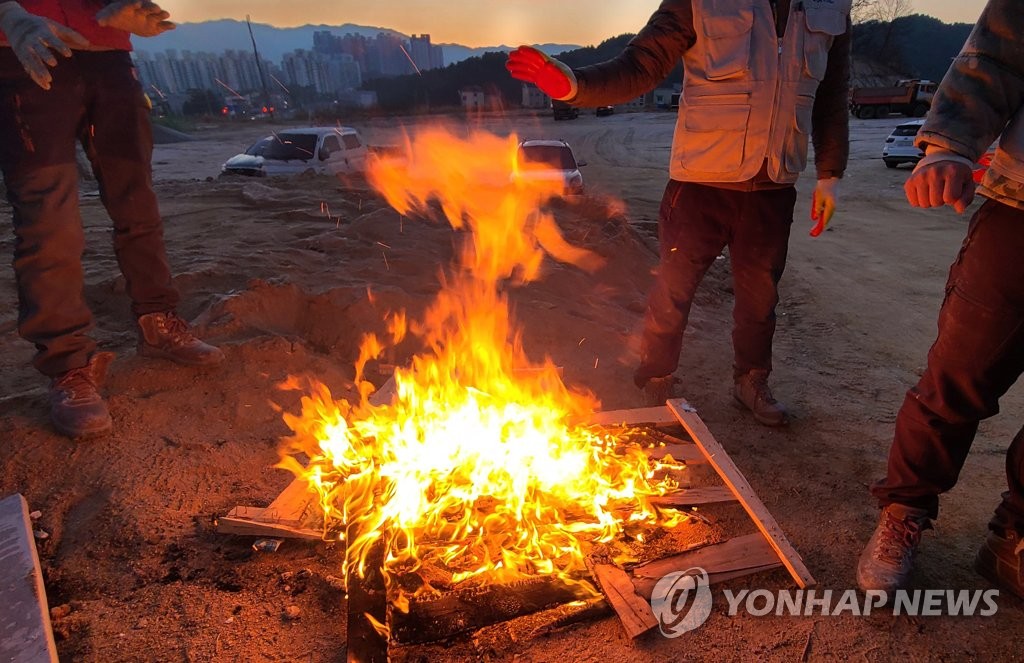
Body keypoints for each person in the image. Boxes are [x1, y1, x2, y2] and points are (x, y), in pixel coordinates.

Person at [506, 0, 851, 426]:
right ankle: (656, 376)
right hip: (698, 185)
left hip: (772, 188)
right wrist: (576, 86)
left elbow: (831, 92)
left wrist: (830, 173)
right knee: (672, 292)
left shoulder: (831, 6)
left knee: (760, 299)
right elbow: (641, 64)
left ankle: (752, 381)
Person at [857, 0, 1024, 598]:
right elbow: (997, 54)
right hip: (1021, 210)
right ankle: (904, 512)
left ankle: (1013, 542)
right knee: (959, 375)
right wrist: (948, 146)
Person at [0, 0, 222, 440]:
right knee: (48, 218)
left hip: (109, 57)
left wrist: (121, 5)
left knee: (137, 201)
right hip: (24, 51)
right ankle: (68, 366)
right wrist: (10, 15)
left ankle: (158, 322)